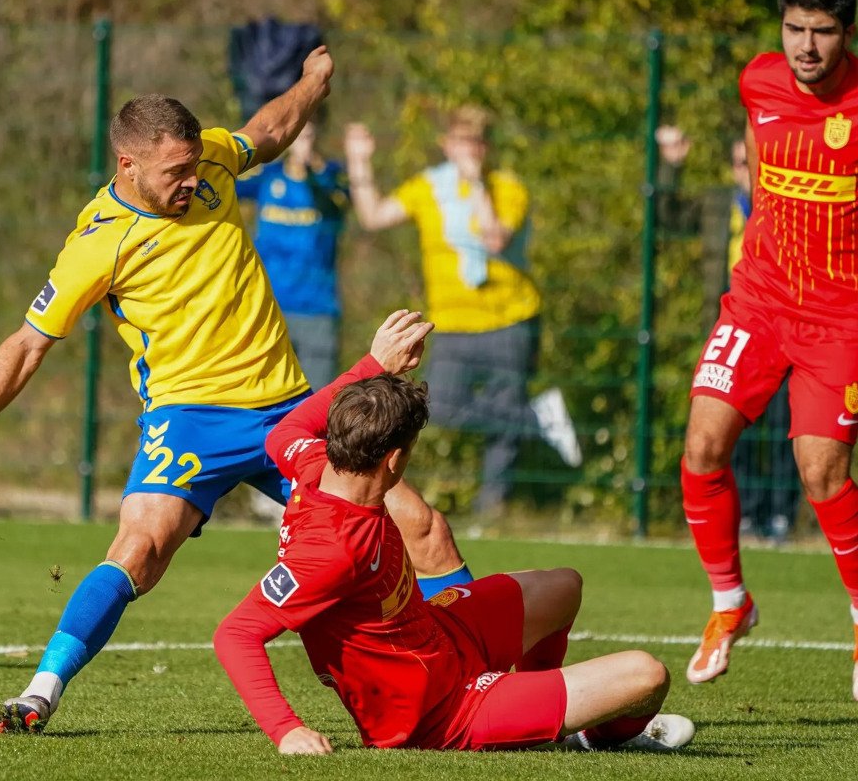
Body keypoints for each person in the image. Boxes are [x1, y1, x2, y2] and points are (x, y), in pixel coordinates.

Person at [0, 46, 472, 734]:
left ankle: (477, 676)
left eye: (195, 164)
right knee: (138, 548)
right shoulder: (97, 244)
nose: (190, 181)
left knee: (421, 525)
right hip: (190, 419)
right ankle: (39, 692)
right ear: (127, 166)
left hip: (290, 413)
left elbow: (267, 131)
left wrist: (310, 86)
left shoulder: (212, 169)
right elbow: (28, 342)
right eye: (175, 172)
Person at [214, 310, 695, 754]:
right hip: (440, 711)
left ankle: (542, 722)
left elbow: (291, 424)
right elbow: (235, 635)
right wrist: (287, 729)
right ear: (395, 459)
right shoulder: (332, 548)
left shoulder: (311, 460)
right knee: (646, 675)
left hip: (439, 635)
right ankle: (588, 734)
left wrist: (374, 364)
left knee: (564, 585)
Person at [681, 0, 858, 702]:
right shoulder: (757, 78)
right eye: (794, 29)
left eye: (820, 32)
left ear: (845, 33)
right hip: (758, 302)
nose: (805, 47)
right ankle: (731, 602)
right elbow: (760, 168)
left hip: (840, 318)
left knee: (819, 474)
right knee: (701, 448)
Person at [345, 107, 581, 519]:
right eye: (461, 142)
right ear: (447, 144)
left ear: (486, 148)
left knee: (503, 428)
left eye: (476, 143)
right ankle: (536, 417)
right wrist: (359, 161)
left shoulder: (507, 188)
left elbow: (493, 238)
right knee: (439, 405)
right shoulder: (429, 187)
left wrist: (475, 185)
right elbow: (373, 216)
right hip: (453, 324)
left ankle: (492, 511)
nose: (469, 150)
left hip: (509, 318)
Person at [655, 127, 801, 543]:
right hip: (732, 329)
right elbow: (669, 216)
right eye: (739, 163)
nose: (746, 171)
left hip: (784, 327)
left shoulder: (785, 206)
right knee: (727, 426)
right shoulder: (719, 204)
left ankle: (781, 516)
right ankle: (748, 513)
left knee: (783, 427)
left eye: (751, 162)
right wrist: (671, 164)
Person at [236, 119, 348, 391]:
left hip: (317, 310)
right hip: (269, 309)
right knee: (264, 397)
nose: (302, 142)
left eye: (307, 135)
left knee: (316, 401)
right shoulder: (268, 175)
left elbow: (344, 198)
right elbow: (224, 179)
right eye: (296, 135)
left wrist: (313, 166)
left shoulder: (332, 176)